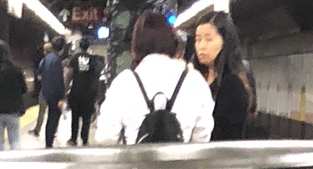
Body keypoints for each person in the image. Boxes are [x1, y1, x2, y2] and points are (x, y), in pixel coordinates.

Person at [93, 9, 214, 145]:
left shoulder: (123, 83)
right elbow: (202, 137)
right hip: (181, 165)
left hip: (135, 164)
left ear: (136, 44)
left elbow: (106, 138)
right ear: (171, 41)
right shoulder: (194, 81)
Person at [189, 10, 255, 141]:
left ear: (225, 41)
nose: (201, 46)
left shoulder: (233, 84)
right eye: (198, 39)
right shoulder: (193, 77)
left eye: (208, 39)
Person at [0, 40, 26, 149]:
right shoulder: (17, 70)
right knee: (15, 141)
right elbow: (24, 89)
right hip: (13, 110)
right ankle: (16, 164)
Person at [66, 40, 103, 145]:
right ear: (88, 47)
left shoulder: (74, 58)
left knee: (75, 117)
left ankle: (73, 139)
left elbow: (69, 75)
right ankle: (85, 139)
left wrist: (65, 89)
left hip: (76, 91)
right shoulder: (93, 60)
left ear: (80, 46)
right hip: (89, 93)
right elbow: (96, 76)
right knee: (86, 118)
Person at [35, 36, 66, 148]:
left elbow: (40, 75)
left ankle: (49, 141)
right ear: (62, 47)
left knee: (50, 118)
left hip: (46, 92)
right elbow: (59, 79)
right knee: (53, 118)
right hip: (55, 94)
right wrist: (62, 97)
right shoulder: (57, 60)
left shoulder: (46, 59)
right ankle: (49, 143)